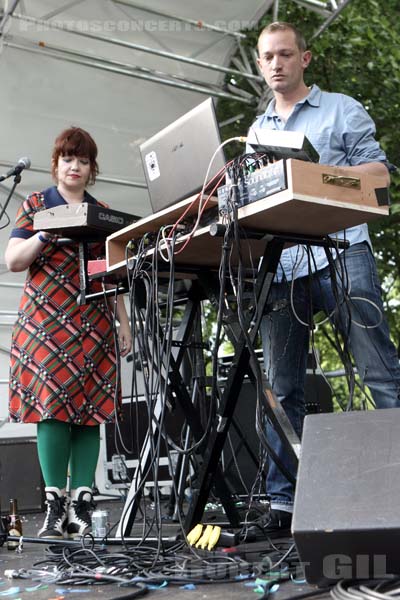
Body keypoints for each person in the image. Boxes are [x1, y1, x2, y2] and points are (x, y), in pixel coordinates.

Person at [247, 22, 400, 532]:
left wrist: (320, 178)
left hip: (342, 250)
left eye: (285, 54)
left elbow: (378, 177)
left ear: (304, 59)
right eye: (267, 56)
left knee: (377, 368)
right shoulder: (256, 130)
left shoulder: (342, 108)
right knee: (281, 387)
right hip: (285, 263)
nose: (275, 64)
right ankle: (284, 503)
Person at [5, 126, 132, 539]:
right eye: (67, 159)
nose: (74, 166)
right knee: (51, 407)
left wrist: (124, 322)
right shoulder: (38, 204)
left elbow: (111, 274)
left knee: (89, 409)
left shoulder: (102, 211)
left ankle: (82, 503)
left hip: (92, 322)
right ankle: (54, 505)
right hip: (44, 321)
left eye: (82, 160)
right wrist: (45, 232)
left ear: (92, 168)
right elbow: (13, 261)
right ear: (56, 164)